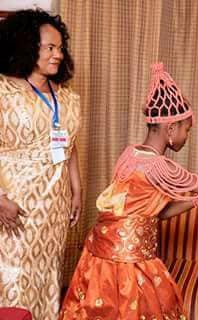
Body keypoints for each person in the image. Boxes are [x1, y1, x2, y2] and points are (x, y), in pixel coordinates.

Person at [60, 63, 198, 319]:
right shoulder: (160, 167)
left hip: (101, 252)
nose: (187, 137)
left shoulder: (130, 153)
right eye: (187, 130)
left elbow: (158, 213)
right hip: (129, 263)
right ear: (171, 129)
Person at [0, 9, 82, 320]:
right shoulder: (3, 91)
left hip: (54, 210)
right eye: (50, 47)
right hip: (14, 207)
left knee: (48, 279)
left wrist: (77, 189)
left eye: (60, 48)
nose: (58, 54)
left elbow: (69, 146)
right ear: (26, 46)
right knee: (13, 280)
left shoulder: (69, 98)